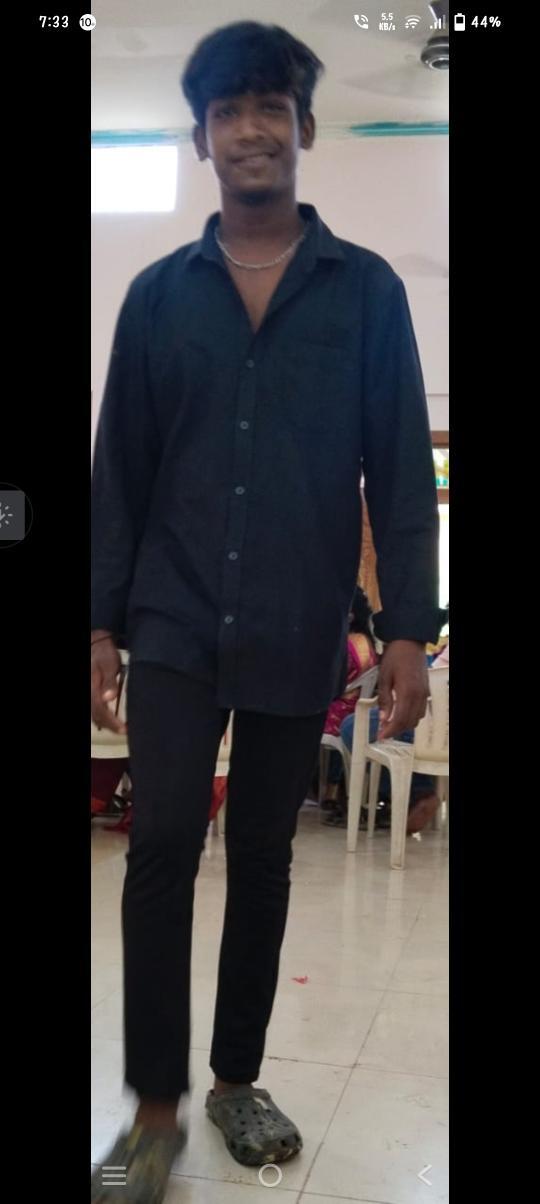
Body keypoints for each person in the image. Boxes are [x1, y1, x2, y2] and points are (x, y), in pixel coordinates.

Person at [91, 21, 439, 1203]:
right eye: (228, 111)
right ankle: (152, 1107)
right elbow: (119, 475)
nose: (250, 129)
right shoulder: (156, 299)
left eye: (270, 109)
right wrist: (99, 623)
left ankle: (236, 1078)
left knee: (264, 854)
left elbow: (401, 469)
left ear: (305, 128)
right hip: (174, 620)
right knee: (160, 850)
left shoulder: (368, 292)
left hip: (297, 619)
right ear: (201, 138)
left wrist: (409, 628)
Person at [320, 585, 378, 814]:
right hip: (357, 708)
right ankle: (332, 788)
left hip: (341, 710)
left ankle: (326, 789)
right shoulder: (366, 641)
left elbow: (332, 682)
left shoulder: (345, 644)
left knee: (301, 716)